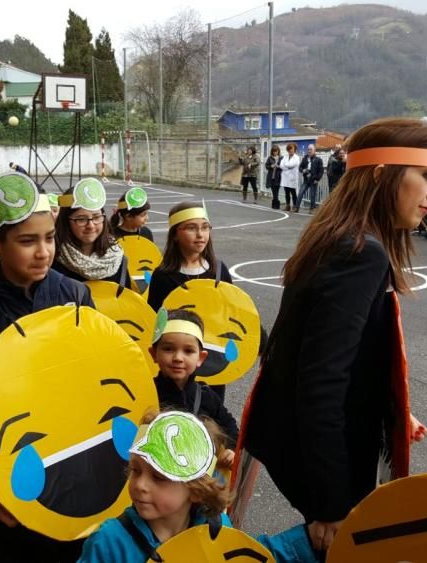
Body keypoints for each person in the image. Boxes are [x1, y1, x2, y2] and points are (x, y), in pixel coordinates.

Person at [242, 117, 427, 554]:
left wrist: (390, 407)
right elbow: (321, 382)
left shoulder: (344, 238)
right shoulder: (360, 252)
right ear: (381, 176)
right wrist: (331, 505)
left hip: (316, 440)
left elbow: (334, 357)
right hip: (328, 463)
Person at [0, 173, 94, 562]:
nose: (43, 251)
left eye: (49, 238)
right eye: (27, 241)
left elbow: (98, 373)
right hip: (16, 470)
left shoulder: (74, 294)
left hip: (79, 455)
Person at [77, 411, 314, 563]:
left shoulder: (217, 529)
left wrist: (310, 539)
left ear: (196, 490)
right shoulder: (108, 542)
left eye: (159, 477)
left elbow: (251, 555)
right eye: (135, 470)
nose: (140, 485)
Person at [150, 308, 239, 452]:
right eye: (168, 349)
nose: (178, 358)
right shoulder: (146, 392)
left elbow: (230, 427)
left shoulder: (206, 396)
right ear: (154, 354)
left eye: (188, 351)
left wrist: (230, 449)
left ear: (200, 358)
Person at [146, 202, 233, 313]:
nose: (200, 234)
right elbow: (154, 320)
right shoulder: (162, 276)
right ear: (175, 235)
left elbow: (232, 310)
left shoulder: (219, 270)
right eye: (191, 228)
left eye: (205, 227)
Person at [52, 184, 132, 287]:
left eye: (96, 217)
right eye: (81, 219)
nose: (90, 225)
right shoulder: (54, 258)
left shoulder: (116, 258)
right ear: (66, 221)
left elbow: (127, 299)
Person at [296, 144, 325, 213]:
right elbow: (300, 167)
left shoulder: (318, 160)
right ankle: (296, 207)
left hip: (314, 180)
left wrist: (317, 179)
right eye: (308, 149)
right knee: (300, 192)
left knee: (312, 195)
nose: (309, 151)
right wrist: (302, 170)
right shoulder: (305, 158)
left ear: (314, 150)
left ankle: (312, 209)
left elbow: (321, 171)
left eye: (311, 149)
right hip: (306, 180)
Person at [279, 143, 301, 212]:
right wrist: (286, 166)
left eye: (292, 149)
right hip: (285, 177)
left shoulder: (296, 157)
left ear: (295, 150)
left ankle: (295, 206)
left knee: (293, 193)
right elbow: (281, 165)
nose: (290, 150)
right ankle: (288, 205)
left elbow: (292, 165)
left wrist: (286, 166)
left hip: (292, 178)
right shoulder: (285, 156)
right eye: (289, 149)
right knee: (287, 192)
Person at [264, 146, 283, 210]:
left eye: (276, 151)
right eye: (274, 151)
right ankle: (275, 204)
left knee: (276, 190)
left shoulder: (281, 158)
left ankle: (275, 204)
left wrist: (278, 166)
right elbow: (266, 166)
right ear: (272, 152)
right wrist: (271, 166)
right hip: (271, 177)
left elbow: (283, 166)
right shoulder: (270, 158)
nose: (275, 152)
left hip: (278, 177)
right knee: (273, 190)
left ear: (278, 151)